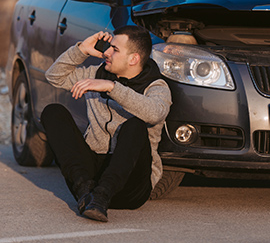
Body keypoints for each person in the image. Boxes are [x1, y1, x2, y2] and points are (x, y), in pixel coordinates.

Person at [41, 25, 172, 222]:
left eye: (115, 49)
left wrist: (112, 87)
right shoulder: (96, 73)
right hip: (90, 180)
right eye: (109, 47)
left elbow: (154, 113)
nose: (107, 52)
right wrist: (81, 50)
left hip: (130, 186)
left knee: (135, 125)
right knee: (53, 112)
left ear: (133, 59)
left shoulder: (156, 86)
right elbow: (54, 77)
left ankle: (101, 195)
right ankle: (86, 191)